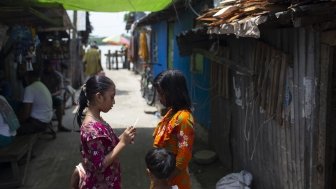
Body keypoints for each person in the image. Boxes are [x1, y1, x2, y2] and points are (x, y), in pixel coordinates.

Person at [75, 75, 136, 189]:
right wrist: (122, 143)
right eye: (111, 97)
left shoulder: (98, 120)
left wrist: (123, 137)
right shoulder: (91, 129)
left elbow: (105, 147)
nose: (114, 102)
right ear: (99, 97)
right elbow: (100, 165)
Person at [152, 69, 195, 189]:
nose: (159, 98)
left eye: (161, 93)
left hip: (173, 181)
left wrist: (165, 180)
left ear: (172, 93)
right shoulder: (171, 112)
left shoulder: (184, 119)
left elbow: (184, 156)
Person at [17, 70, 53, 135]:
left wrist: (17, 123)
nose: (25, 80)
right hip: (47, 120)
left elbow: (26, 114)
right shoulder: (42, 85)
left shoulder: (29, 88)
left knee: (11, 130)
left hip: (39, 124)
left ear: (29, 77)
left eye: (25, 77)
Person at [41, 61, 70, 132]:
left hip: (53, 95)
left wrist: (52, 95)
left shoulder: (57, 76)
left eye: (50, 66)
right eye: (47, 66)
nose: (48, 68)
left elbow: (60, 90)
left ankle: (60, 125)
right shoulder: (41, 75)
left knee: (59, 101)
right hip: (42, 96)